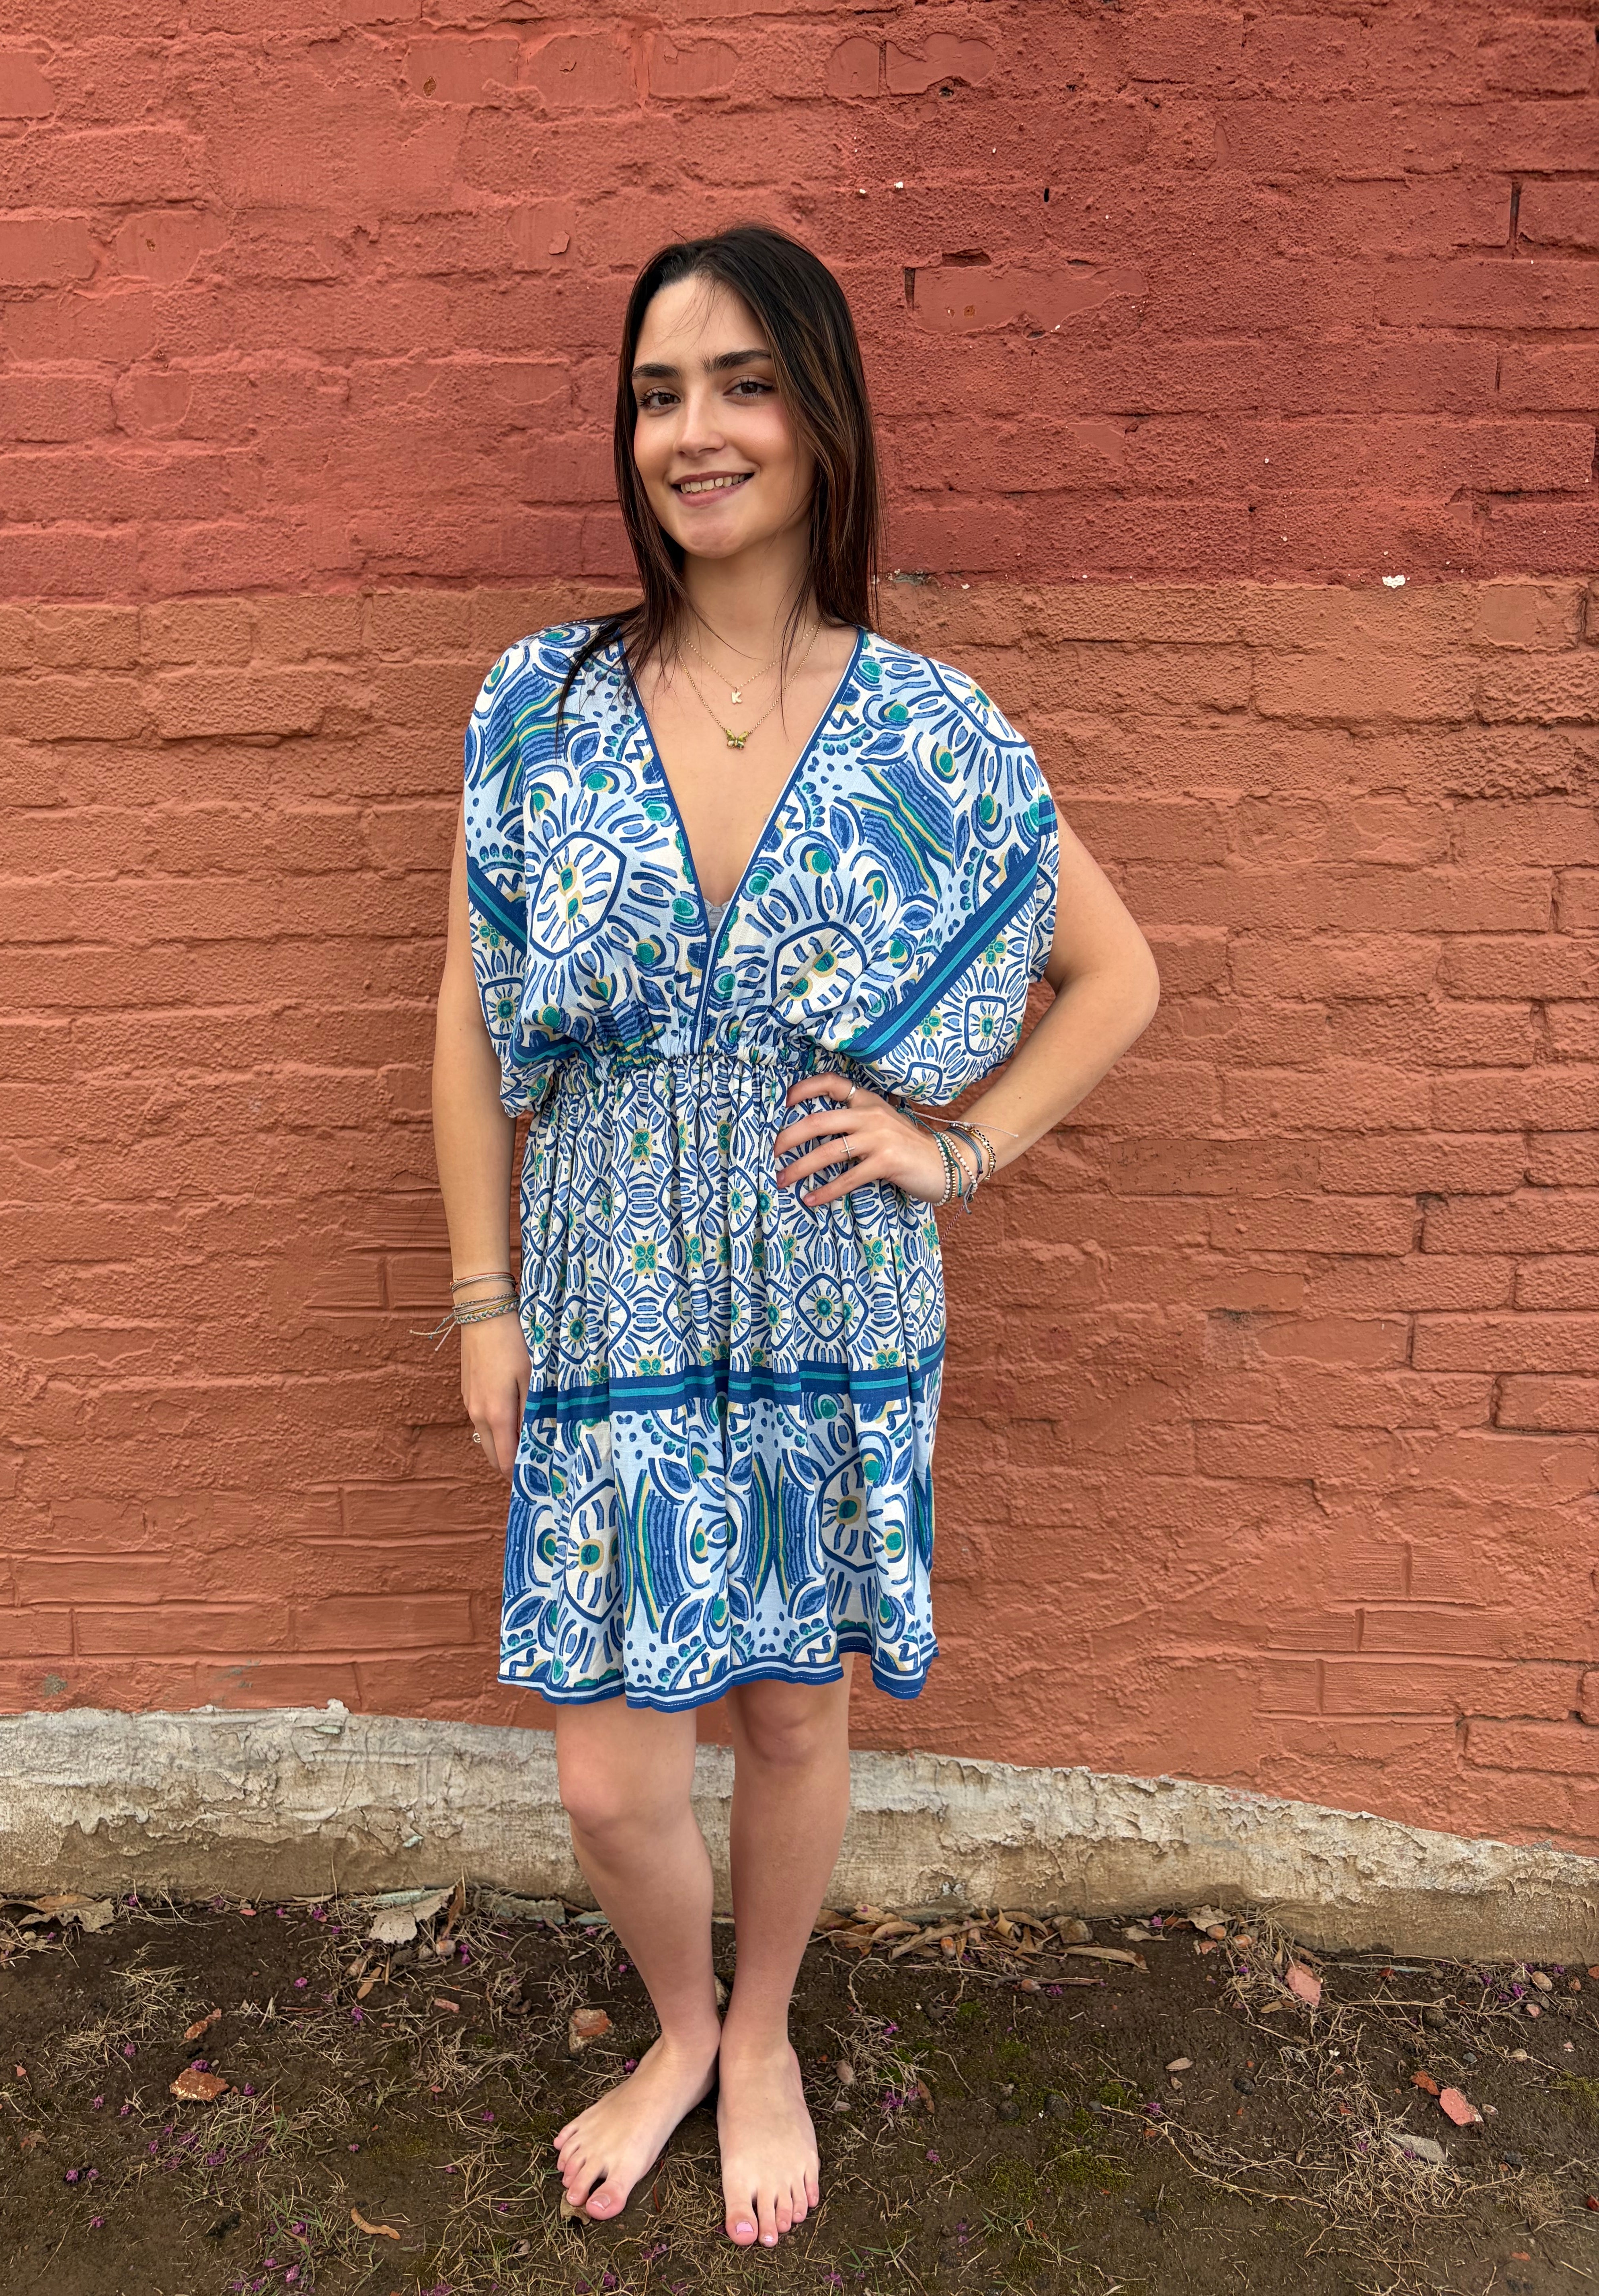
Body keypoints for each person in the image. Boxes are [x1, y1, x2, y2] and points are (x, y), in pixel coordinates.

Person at [429, 222, 1159, 2251]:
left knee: (791, 1706)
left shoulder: (932, 729)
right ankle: (677, 2026)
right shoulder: (542, 706)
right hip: (599, 1275)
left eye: (742, 383)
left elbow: (1114, 978)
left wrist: (962, 1153)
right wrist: (482, 1296)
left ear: (823, 420)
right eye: (659, 394)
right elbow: (469, 1019)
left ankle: (761, 2036)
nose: (696, 431)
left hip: (831, 1274)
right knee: (607, 1774)